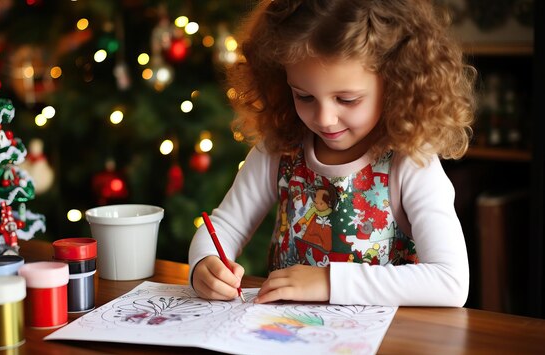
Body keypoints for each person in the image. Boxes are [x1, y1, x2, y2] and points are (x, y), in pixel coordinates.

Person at [189, 0, 475, 307]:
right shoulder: (279, 150)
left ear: (396, 83)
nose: (324, 118)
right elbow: (225, 226)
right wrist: (204, 264)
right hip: (282, 335)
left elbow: (451, 281)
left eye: (347, 99)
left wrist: (328, 281)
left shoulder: (410, 162)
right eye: (305, 96)